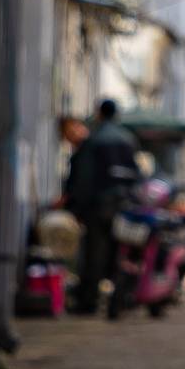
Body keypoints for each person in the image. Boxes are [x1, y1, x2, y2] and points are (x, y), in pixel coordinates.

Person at [64, 99, 138, 315]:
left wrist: (75, 205)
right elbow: (135, 174)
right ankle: (120, 298)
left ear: (99, 113)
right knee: (120, 253)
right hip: (123, 206)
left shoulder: (94, 139)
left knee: (95, 254)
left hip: (97, 206)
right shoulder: (128, 139)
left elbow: (84, 177)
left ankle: (89, 302)